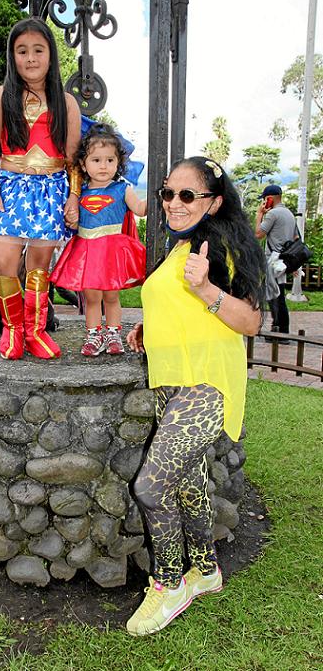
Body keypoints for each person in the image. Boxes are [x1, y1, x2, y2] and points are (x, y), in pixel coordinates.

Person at [125, 156, 266, 637]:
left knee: (149, 486)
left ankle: (167, 585)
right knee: (186, 484)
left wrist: (207, 289)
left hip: (207, 385)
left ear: (215, 201)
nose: (174, 203)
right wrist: (152, 326)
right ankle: (205, 571)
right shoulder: (182, 243)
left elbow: (250, 322)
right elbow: (174, 301)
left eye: (188, 195)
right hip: (174, 378)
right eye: (167, 193)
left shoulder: (222, 246)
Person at [0, 17, 81, 360]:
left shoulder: (66, 103)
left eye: (39, 50)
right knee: (4, 262)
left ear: (51, 55)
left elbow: (73, 160)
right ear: (13, 56)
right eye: (22, 51)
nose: (31, 58)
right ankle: (13, 328)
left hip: (50, 189)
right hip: (9, 187)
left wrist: (73, 197)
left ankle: (35, 331)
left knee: (39, 265)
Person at [50, 123, 146, 356]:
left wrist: (159, 197)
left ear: (118, 163)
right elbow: (72, 221)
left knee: (111, 295)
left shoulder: (122, 189)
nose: (104, 166)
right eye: (96, 160)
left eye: (110, 160)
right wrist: (71, 219)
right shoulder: (78, 192)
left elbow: (141, 210)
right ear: (83, 164)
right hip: (87, 251)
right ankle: (94, 334)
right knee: (92, 296)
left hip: (112, 250)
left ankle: (113, 333)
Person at [255, 184, 295, 342]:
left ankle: (280, 331)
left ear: (270, 198)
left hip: (273, 260)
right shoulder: (289, 214)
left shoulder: (273, 214)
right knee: (277, 294)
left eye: (265, 199)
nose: (264, 203)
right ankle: (279, 328)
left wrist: (259, 214)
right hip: (283, 260)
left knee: (275, 296)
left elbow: (258, 234)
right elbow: (295, 238)